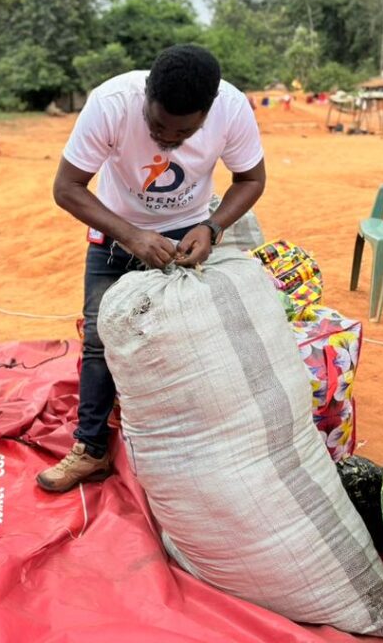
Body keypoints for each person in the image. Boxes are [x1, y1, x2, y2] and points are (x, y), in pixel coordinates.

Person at [36, 45, 267, 494]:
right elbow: (67, 187)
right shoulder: (111, 104)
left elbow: (252, 179)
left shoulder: (233, 108)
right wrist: (130, 235)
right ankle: (91, 449)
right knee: (101, 342)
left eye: (184, 132)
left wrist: (212, 228)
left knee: (187, 341)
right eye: (158, 125)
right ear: (146, 96)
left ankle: (186, 456)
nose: (168, 139)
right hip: (114, 231)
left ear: (208, 112)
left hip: (187, 235)